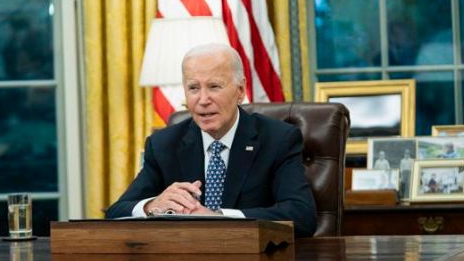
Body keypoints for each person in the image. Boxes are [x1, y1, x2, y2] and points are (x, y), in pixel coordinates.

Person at [105, 44, 317, 237]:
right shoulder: (163, 144)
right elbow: (116, 212)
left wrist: (219, 217)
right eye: (194, 88)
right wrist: (152, 205)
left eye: (214, 86)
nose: (203, 100)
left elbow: (301, 216)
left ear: (240, 91)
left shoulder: (278, 139)